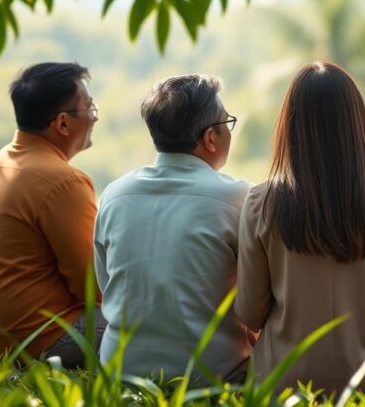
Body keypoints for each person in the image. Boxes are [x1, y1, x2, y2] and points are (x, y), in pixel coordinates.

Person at [235, 63, 365, 398]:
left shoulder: (261, 202)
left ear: (291, 125)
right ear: (356, 122)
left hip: (286, 385)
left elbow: (250, 312)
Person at [95, 75, 252, 382]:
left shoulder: (114, 194)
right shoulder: (239, 198)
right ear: (210, 137)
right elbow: (257, 298)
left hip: (120, 372)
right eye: (227, 123)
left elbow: (107, 285)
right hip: (211, 374)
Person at [0, 62, 102, 366]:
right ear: (63, 124)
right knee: (159, 323)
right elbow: (93, 288)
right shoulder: (63, 181)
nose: (94, 117)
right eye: (90, 108)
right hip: (45, 340)